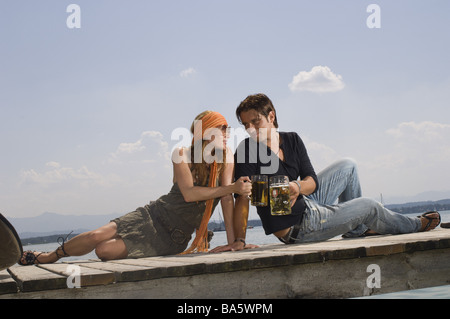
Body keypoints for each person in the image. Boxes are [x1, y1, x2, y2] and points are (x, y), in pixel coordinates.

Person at [211, 93, 441, 252]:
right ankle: (414, 225)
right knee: (369, 206)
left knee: (348, 165)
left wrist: (297, 187)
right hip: (298, 227)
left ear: (271, 116)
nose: (250, 129)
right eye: (245, 125)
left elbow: (312, 181)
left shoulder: (292, 139)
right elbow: (242, 197)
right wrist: (239, 240)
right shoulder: (247, 150)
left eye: (256, 121)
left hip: (308, 203)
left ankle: (357, 230)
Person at [19, 111, 252, 265]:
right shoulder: (181, 154)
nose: (226, 134)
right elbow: (190, 194)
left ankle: (57, 255)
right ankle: (49, 257)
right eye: (221, 129)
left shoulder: (225, 156)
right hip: (154, 215)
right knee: (96, 235)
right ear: (206, 133)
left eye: (227, 129)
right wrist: (231, 187)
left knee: (103, 251)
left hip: (173, 236)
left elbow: (226, 200)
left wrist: (232, 243)